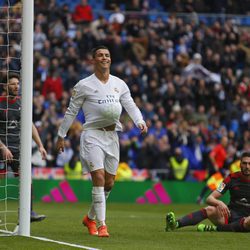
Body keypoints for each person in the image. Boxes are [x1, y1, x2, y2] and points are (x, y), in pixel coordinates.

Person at [56, 45, 148, 237]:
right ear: (93, 60)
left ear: (110, 59)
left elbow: (129, 103)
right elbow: (71, 110)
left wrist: (139, 121)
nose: (104, 58)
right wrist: (61, 135)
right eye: (100, 55)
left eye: (107, 55)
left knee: (109, 183)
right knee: (98, 177)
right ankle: (102, 225)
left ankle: (89, 218)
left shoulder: (119, 84)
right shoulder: (84, 85)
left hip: (112, 135)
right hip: (92, 135)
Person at [0, 73, 47, 222]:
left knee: (27, 179)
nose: (16, 86)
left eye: (17, 84)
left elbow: (30, 124)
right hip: (1, 148)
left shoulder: (22, 103)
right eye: (13, 84)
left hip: (17, 148)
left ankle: (28, 213)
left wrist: (40, 145)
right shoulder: (0, 103)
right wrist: (2, 147)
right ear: (5, 86)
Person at [165, 151, 250, 232]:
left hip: (248, 219)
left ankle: (215, 229)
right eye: (244, 163)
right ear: (240, 164)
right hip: (231, 216)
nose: (247, 166)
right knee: (210, 209)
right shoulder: (231, 178)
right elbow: (209, 198)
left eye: (249, 164)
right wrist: (219, 203)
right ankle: (175, 224)